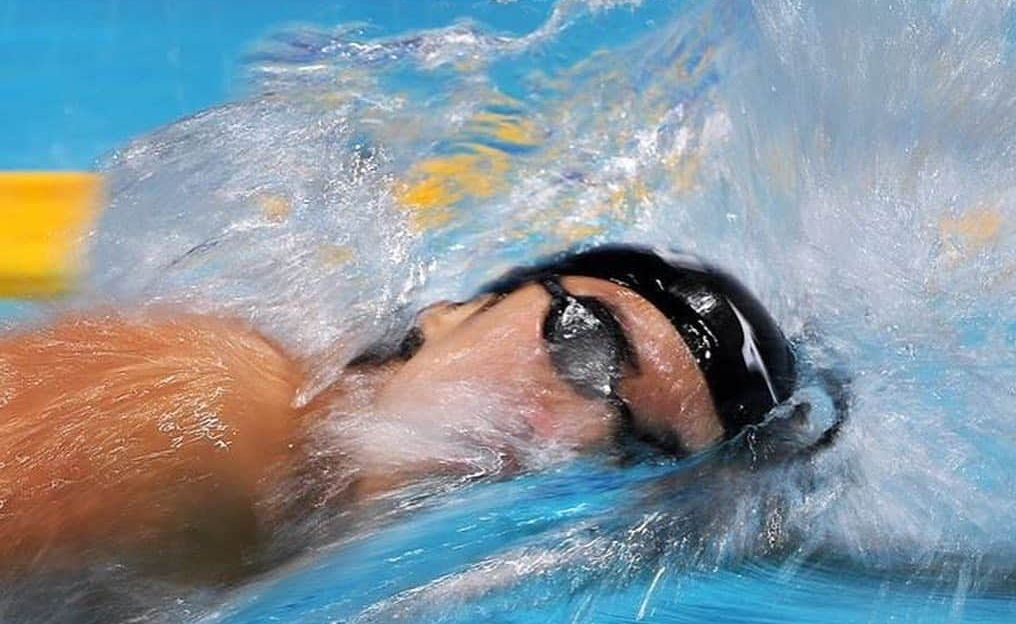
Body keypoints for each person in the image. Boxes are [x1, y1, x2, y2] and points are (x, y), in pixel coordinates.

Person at [0, 244, 796, 591]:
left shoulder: (308, 540)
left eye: (637, 450)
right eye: (584, 342)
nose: (572, 432)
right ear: (453, 312)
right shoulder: (205, 410)